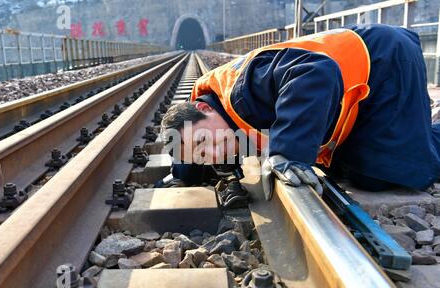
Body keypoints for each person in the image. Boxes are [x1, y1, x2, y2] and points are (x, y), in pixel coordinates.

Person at [161, 24, 440, 200]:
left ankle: (424, 136)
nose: (210, 154)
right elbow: (189, 143)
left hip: (383, 62)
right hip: (357, 86)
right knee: (347, 167)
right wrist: (183, 174)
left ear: (203, 108)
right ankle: (415, 130)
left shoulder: (243, 92)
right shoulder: (217, 114)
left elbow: (315, 70)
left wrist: (289, 154)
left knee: (387, 174)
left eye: (202, 143)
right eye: (201, 157)